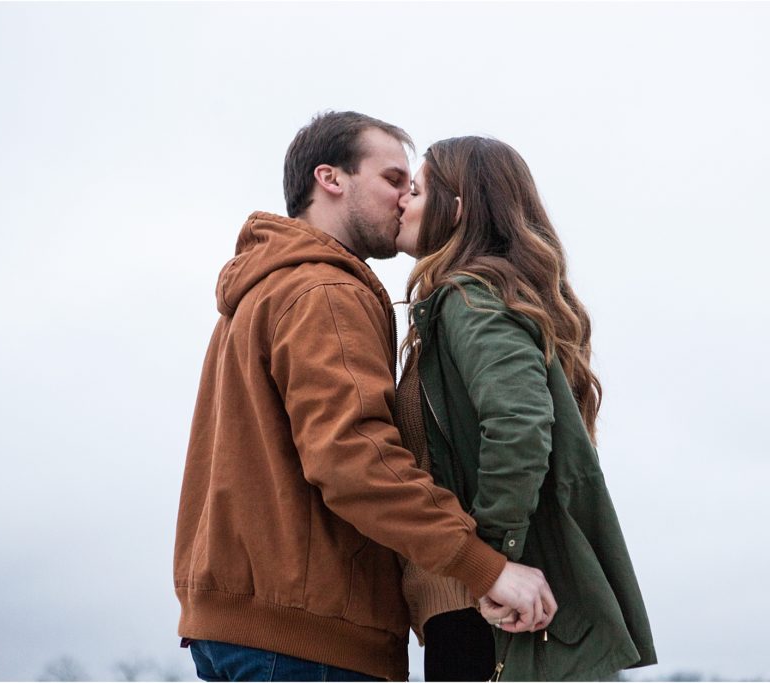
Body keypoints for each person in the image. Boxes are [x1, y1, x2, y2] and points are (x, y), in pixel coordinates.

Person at [173, 112, 557, 683]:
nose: (407, 199)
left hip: (238, 627)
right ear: (331, 179)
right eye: (394, 179)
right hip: (310, 637)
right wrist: (487, 567)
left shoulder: (263, 287)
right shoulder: (326, 291)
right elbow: (352, 457)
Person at [392, 136, 657, 681]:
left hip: (485, 614)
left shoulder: (469, 299)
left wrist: (492, 564)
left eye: (415, 190)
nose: (401, 202)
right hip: (480, 606)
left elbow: (518, 426)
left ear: (457, 207)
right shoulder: (483, 299)